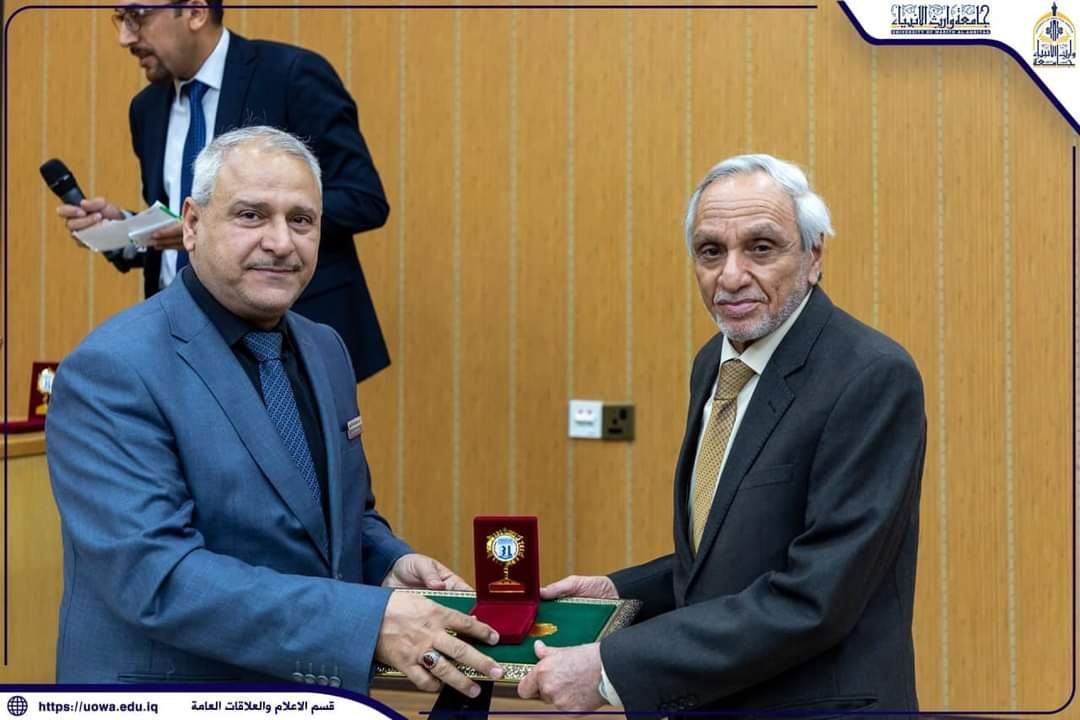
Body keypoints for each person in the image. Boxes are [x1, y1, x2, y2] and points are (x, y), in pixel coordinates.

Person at [46, 127, 503, 696]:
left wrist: (384, 562)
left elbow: (336, 516)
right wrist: (367, 622)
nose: (282, 243)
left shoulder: (325, 349)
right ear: (192, 224)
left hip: (306, 695)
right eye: (251, 215)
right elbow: (158, 577)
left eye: (302, 220)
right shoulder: (112, 369)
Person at [519, 154, 926, 714]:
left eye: (761, 248)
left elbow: (816, 597)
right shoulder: (715, 361)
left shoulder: (871, 377)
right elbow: (732, 559)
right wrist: (621, 594)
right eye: (711, 251)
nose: (731, 276)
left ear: (813, 257)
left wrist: (613, 669)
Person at [57, 0, 389, 382]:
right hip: (182, 340)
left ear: (196, 12)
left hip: (287, 336)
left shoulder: (291, 76)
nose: (125, 37)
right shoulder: (146, 108)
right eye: (121, 19)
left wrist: (244, 223)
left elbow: (363, 198)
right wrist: (127, 230)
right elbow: (183, 221)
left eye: (136, 17)